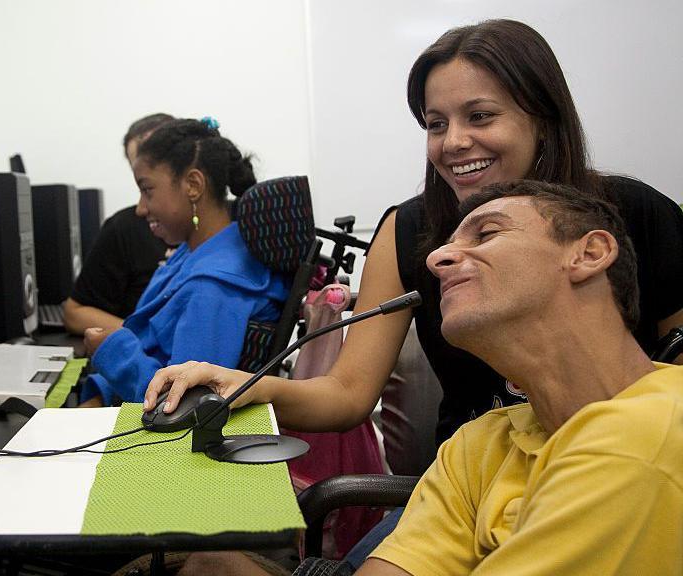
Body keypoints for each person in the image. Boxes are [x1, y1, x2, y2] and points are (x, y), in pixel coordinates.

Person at [144, 17, 683, 447]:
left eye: (480, 116)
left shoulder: (637, 215)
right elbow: (348, 393)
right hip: (468, 482)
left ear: (542, 119)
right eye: (436, 123)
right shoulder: (409, 230)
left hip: (619, 470)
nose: (454, 142)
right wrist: (244, 385)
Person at [185, 181, 683, 576]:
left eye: (486, 234)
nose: (434, 259)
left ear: (589, 253)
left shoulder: (645, 439)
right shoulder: (482, 443)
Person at [78, 118, 289, 406]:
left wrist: (111, 350)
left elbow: (185, 402)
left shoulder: (212, 288)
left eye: (147, 190)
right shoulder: (196, 251)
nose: (140, 208)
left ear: (193, 185)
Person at [62, 113, 176, 335]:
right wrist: (140, 336)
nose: (142, 209)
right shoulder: (124, 227)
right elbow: (75, 312)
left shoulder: (227, 232)